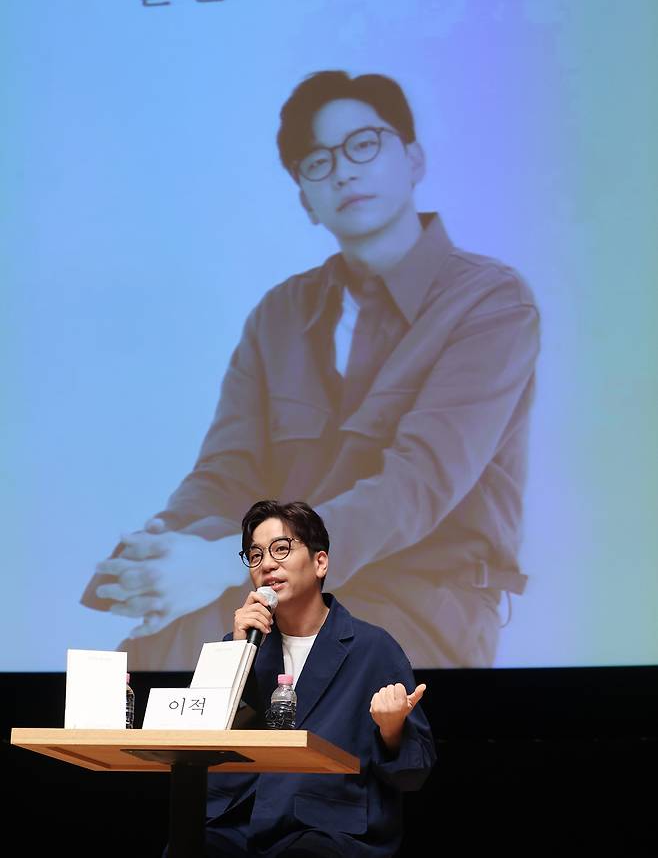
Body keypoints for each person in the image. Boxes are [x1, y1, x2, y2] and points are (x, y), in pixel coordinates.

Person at [81, 69, 540, 668]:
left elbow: (415, 485)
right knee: (136, 671)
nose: (344, 169)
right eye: (318, 162)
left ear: (414, 159)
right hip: (273, 597)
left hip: (418, 600)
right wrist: (163, 555)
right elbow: (225, 472)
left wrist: (226, 564)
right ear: (305, 197)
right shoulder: (280, 314)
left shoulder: (490, 302)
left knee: (268, 673)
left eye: (364, 145)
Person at [190, 499, 436, 858]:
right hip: (238, 822)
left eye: (281, 549)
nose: (267, 564)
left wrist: (392, 729)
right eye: (255, 555)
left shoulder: (372, 648)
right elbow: (195, 731)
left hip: (326, 826)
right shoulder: (240, 644)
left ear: (320, 562)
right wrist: (238, 653)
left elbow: (415, 771)